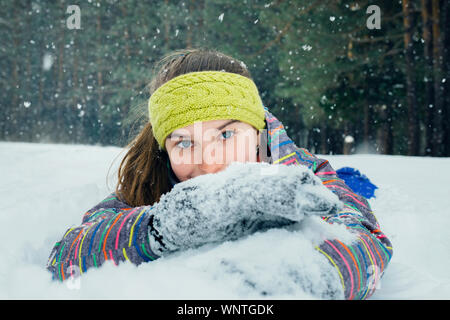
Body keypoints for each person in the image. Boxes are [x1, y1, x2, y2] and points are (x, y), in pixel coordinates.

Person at [46, 48, 393, 300]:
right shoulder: (154, 177)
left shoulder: (302, 172)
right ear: (164, 149)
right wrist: (165, 226)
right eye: (184, 143)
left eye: (226, 135)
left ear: (257, 132)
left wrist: (290, 283)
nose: (209, 163)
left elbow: (365, 240)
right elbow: (67, 258)